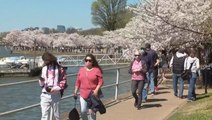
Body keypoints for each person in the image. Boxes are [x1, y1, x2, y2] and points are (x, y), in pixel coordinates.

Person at [74, 53, 104, 120]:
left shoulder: (96, 70)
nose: (87, 62)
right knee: (83, 111)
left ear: (92, 62)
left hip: (93, 94)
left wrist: (96, 90)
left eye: (89, 60)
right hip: (83, 94)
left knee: (92, 112)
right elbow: (78, 81)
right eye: (86, 60)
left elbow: (101, 81)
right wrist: (75, 91)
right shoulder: (81, 70)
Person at [38, 52, 67, 120]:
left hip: (55, 94)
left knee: (56, 115)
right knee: (44, 115)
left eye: (46, 60)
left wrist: (55, 88)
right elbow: (42, 84)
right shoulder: (44, 69)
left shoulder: (60, 69)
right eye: (44, 60)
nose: (45, 62)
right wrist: (41, 80)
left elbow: (63, 82)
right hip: (45, 94)